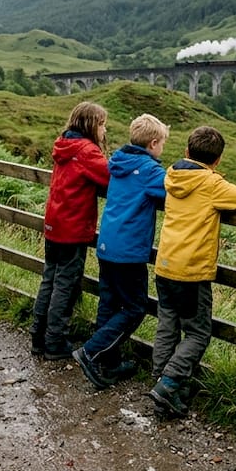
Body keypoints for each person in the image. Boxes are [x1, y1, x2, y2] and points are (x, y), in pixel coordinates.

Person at [148, 125, 236, 416]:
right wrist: (217, 180)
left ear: (186, 152)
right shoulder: (211, 185)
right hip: (191, 270)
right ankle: (169, 383)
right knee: (198, 332)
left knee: (167, 324)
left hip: (165, 264)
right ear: (218, 160)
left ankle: (161, 380)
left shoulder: (172, 176)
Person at [72, 114, 168, 390]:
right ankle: (92, 352)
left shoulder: (117, 163)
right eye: (161, 143)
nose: (162, 149)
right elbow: (171, 192)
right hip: (129, 251)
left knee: (109, 303)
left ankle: (109, 363)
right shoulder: (150, 171)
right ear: (153, 144)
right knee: (135, 307)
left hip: (107, 244)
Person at [32, 102, 111, 360]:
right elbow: (109, 178)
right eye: (101, 124)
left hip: (55, 222)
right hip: (73, 227)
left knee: (49, 279)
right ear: (90, 125)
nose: (104, 129)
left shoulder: (63, 145)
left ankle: (38, 335)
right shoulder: (87, 151)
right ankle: (54, 341)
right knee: (65, 284)